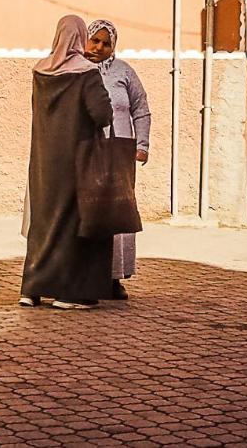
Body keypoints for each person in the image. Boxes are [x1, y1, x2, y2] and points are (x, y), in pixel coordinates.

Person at [20, 15, 114, 310]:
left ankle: (31, 290)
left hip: (43, 162)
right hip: (78, 161)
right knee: (77, 224)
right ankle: (70, 294)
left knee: (44, 223)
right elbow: (102, 115)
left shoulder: (40, 71)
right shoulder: (86, 73)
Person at [85, 19, 151, 301]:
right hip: (89, 154)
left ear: (114, 46)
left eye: (106, 43)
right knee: (89, 213)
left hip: (120, 153)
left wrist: (143, 145)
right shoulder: (77, 70)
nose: (100, 47)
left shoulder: (124, 72)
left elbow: (141, 109)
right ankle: (88, 276)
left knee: (118, 213)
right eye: (95, 41)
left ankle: (114, 278)